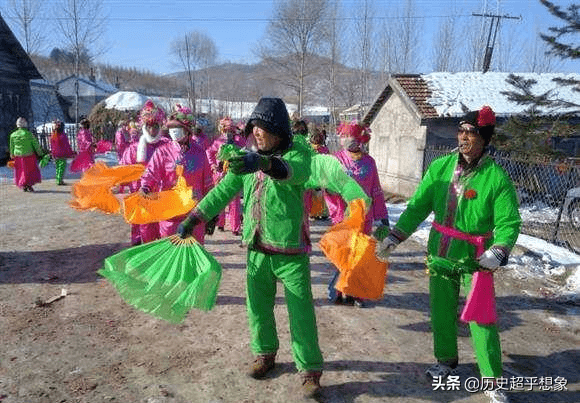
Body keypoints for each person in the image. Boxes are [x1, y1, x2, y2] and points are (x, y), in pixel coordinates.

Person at [177, 97, 323, 398]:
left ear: (279, 131)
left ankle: (309, 370)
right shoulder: (246, 158)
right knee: (257, 309)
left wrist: (266, 163)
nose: (257, 133)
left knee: (301, 313)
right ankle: (265, 354)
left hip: (291, 252)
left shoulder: (299, 153)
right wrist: (195, 218)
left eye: (263, 128)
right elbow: (223, 191)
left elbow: (294, 172)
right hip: (257, 249)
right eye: (254, 127)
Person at [376, 106, 521, 403]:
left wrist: (500, 249)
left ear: (484, 139)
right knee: (441, 314)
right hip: (440, 257)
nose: (464, 137)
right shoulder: (440, 168)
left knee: (481, 321)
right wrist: (396, 235)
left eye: (471, 132)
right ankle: (446, 361)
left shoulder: (496, 178)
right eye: (461, 131)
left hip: (476, 262)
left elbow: (509, 222)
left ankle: (492, 379)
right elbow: (418, 206)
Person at [325, 121, 389, 307]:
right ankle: (338, 291)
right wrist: (333, 196)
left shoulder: (370, 162)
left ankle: (355, 293)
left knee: (359, 256)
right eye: (343, 136)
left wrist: (382, 217)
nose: (345, 140)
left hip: (365, 218)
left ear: (359, 139)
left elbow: (376, 189)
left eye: (349, 136)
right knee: (343, 255)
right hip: (344, 217)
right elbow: (328, 188)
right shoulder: (335, 159)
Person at [139, 105, 213, 243]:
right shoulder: (163, 151)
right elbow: (150, 173)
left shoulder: (200, 153)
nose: (173, 132)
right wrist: (146, 186)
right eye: (171, 129)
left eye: (177, 129)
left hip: (194, 213)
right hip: (170, 213)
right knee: (171, 256)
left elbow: (208, 182)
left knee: (192, 254)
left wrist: (212, 212)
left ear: (187, 130)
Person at [119, 100, 169, 245]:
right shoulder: (134, 148)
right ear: (144, 126)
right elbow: (125, 170)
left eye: (155, 126)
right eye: (149, 126)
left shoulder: (167, 145)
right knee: (141, 227)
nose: (153, 130)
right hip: (139, 193)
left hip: (161, 194)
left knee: (161, 227)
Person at [205, 116, 245, 235]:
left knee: (235, 202)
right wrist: (213, 165)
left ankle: (235, 227)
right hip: (220, 173)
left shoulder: (239, 141)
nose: (228, 133)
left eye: (230, 130)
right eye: (226, 130)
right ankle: (220, 223)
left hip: (234, 173)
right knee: (220, 199)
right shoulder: (218, 141)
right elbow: (209, 152)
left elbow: (246, 151)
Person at [9, 117, 44, 192]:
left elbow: (12, 146)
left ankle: (23, 184)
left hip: (18, 156)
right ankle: (28, 184)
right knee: (30, 171)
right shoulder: (28, 134)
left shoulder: (13, 135)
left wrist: (12, 154)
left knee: (20, 171)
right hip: (29, 155)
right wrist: (40, 153)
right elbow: (36, 145)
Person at [49, 120, 75, 186]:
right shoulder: (62, 135)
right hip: (62, 154)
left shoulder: (53, 135)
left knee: (58, 167)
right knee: (61, 167)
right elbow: (66, 145)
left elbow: (51, 145)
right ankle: (59, 180)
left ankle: (58, 179)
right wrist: (70, 153)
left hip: (55, 154)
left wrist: (52, 153)